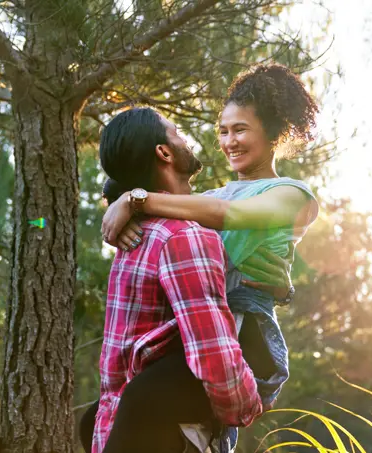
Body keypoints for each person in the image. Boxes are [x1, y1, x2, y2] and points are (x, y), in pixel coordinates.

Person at [94, 63, 321, 453]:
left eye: (241, 130)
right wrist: (117, 201)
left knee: (152, 399)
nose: (229, 141)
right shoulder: (215, 194)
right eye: (223, 131)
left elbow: (231, 217)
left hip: (250, 331)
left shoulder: (291, 194)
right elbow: (150, 183)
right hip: (211, 325)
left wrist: (136, 200)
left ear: (272, 133)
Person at [89, 107, 275, 453]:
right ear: (164, 152)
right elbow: (213, 353)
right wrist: (248, 406)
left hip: (112, 429)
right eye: (176, 133)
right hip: (163, 437)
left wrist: (130, 199)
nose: (185, 139)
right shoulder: (184, 237)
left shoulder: (133, 238)